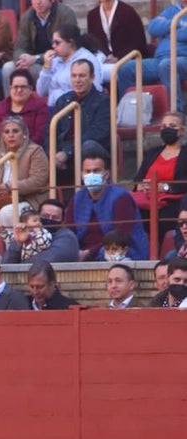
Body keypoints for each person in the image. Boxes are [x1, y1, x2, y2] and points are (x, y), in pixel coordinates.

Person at [66, 150, 149, 262]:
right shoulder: (77, 198)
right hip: (83, 251)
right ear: (82, 175)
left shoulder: (121, 197)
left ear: (106, 174)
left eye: (96, 171)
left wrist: (89, 252)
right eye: (87, 171)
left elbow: (121, 236)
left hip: (119, 249)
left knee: (107, 253)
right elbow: (68, 231)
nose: (91, 174)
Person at [116, 0, 187, 109]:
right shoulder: (172, 10)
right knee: (125, 68)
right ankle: (131, 113)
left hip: (182, 59)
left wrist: (166, 30)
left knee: (166, 65)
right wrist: (177, 23)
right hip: (159, 60)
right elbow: (153, 28)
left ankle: (176, 113)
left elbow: (183, 35)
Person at [2, 0, 76, 99]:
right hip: (31, 62)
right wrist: (22, 59)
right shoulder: (27, 17)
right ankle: (9, 106)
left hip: (57, 63)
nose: (38, 2)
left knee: (37, 71)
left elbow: (66, 48)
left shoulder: (66, 14)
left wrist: (35, 58)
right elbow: (19, 47)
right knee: (8, 68)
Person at [51, 59, 110, 179]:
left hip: (89, 154)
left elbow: (97, 133)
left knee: (88, 146)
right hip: (63, 153)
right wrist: (53, 155)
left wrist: (67, 152)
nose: (77, 80)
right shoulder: (62, 101)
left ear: (92, 77)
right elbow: (50, 131)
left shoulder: (104, 101)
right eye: (74, 76)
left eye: (82, 76)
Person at [134, 111, 187, 240]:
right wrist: (142, 186)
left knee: (162, 217)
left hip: (172, 201)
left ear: (182, 131)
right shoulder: (152, 153)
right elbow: (137, 180)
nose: (166, 129)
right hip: (146, 198)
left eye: (172, 126)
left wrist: (163, 188)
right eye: (163, 126)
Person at [36, 24, 102, 109]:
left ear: (71, 42)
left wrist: (61, 97)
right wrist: (47, 67)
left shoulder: (87, 60)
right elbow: (41, 92)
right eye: (52, 42)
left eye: (57, 42)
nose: (53, 46)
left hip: (76, 108)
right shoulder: (54, 60)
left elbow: (94, 89)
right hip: (53, 108)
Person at [4, 198, 80, 264]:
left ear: (63, 222)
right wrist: (18, 243)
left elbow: (48, 260)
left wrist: (17, 266)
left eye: (55, 218)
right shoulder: (27, 233)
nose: (49, 219)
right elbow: (6, 264)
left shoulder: (67, 237)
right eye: (45, 216)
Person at [0, 68, 49, 146]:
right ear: (10, 88)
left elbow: (39, 136)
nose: (19, 90)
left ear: (30, 89)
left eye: (23, 87)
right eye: (15, 87)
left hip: (31, 152)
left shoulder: (40, 108)